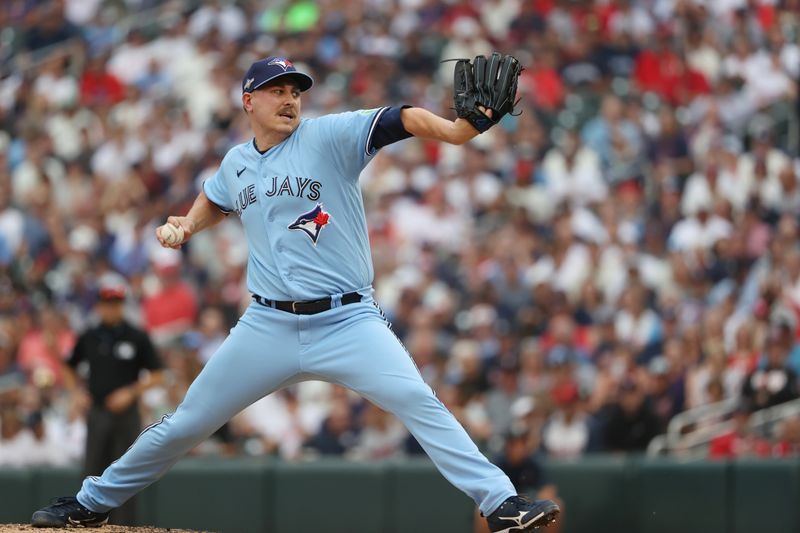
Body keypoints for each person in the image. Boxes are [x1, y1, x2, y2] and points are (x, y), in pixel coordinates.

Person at [31, 56, 559, 532]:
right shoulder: (237, 161)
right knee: (185, 423)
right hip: (267, 327)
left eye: (295, 91)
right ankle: (90, 502)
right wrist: (189, 226)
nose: (289, 100)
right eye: (277, 90)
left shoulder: (328, 136)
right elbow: (218, 198)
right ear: (249, 101)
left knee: (418, 400)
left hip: (348, 321)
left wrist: (454, 129)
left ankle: (501, 502)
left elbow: (399, 118)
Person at [62, 273, 165, 525]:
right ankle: (86, 523)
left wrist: (130, 392)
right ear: (98, 306)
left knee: (126, 472)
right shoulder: (89, 335)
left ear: (123, 305)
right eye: (107, 303)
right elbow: (68, 366)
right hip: (97, 411)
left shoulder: (136, 336)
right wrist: (76, 393)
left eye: (116, 303)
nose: (112, 308)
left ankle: (125, 527)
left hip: (126, 414)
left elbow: (158, 374)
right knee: (92, 468)